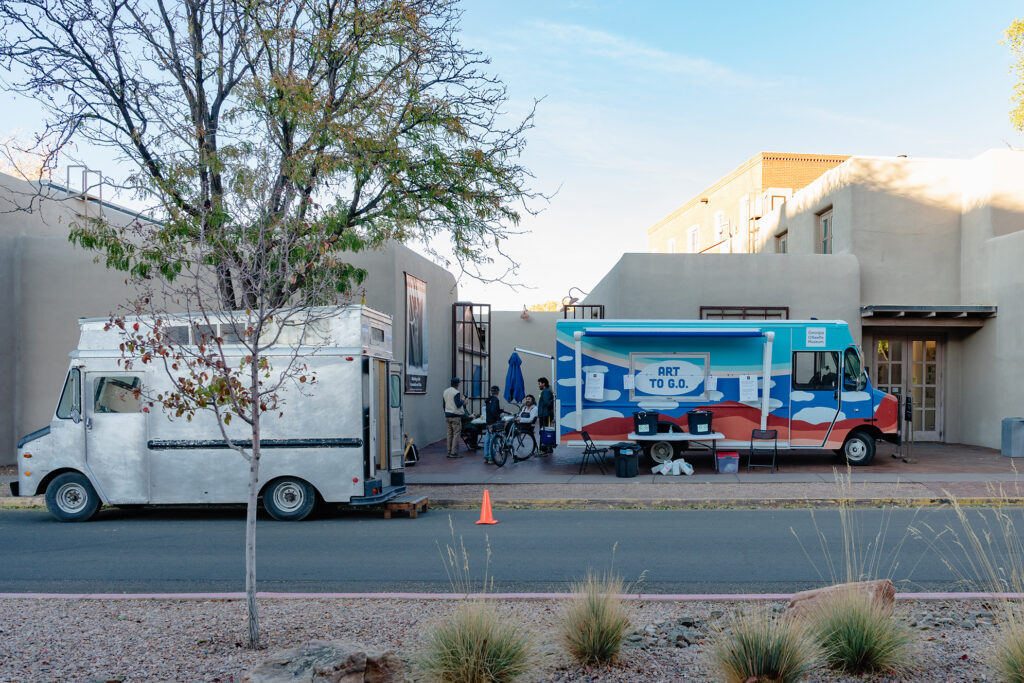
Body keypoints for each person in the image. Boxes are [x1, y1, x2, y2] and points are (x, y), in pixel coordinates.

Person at [442, 377, 466, 458]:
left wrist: (446, 412)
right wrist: (463, 400)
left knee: (449, 434)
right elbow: (458, 404)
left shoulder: (445, 391)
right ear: (457, 384)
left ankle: (449, 452)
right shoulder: (456, 392)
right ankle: (454, 452)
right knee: (456, 434)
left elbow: (444, 405)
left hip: (447, 415)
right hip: (455, 416)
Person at [482, 385, 504, 463]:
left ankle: (486, 457)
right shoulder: (496, 400)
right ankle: (491, 458)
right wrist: (499, 417)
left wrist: (500, 410)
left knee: (487, 440)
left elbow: (490, 410)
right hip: (494, 422)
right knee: (493, 440)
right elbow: (494, 410)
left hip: (488, 422)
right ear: (498, 392)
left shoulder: (488, 400)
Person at [537, 377, 555, 454]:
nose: (538, 385)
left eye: (539, 384)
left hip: (545, 414)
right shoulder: (546, 391)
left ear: (543, 383)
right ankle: (546, 448)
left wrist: (544, 405)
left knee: (544, 431)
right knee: (545, 431)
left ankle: (544, 448)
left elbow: (548, 403)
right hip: (544, 414)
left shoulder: (546, 391)